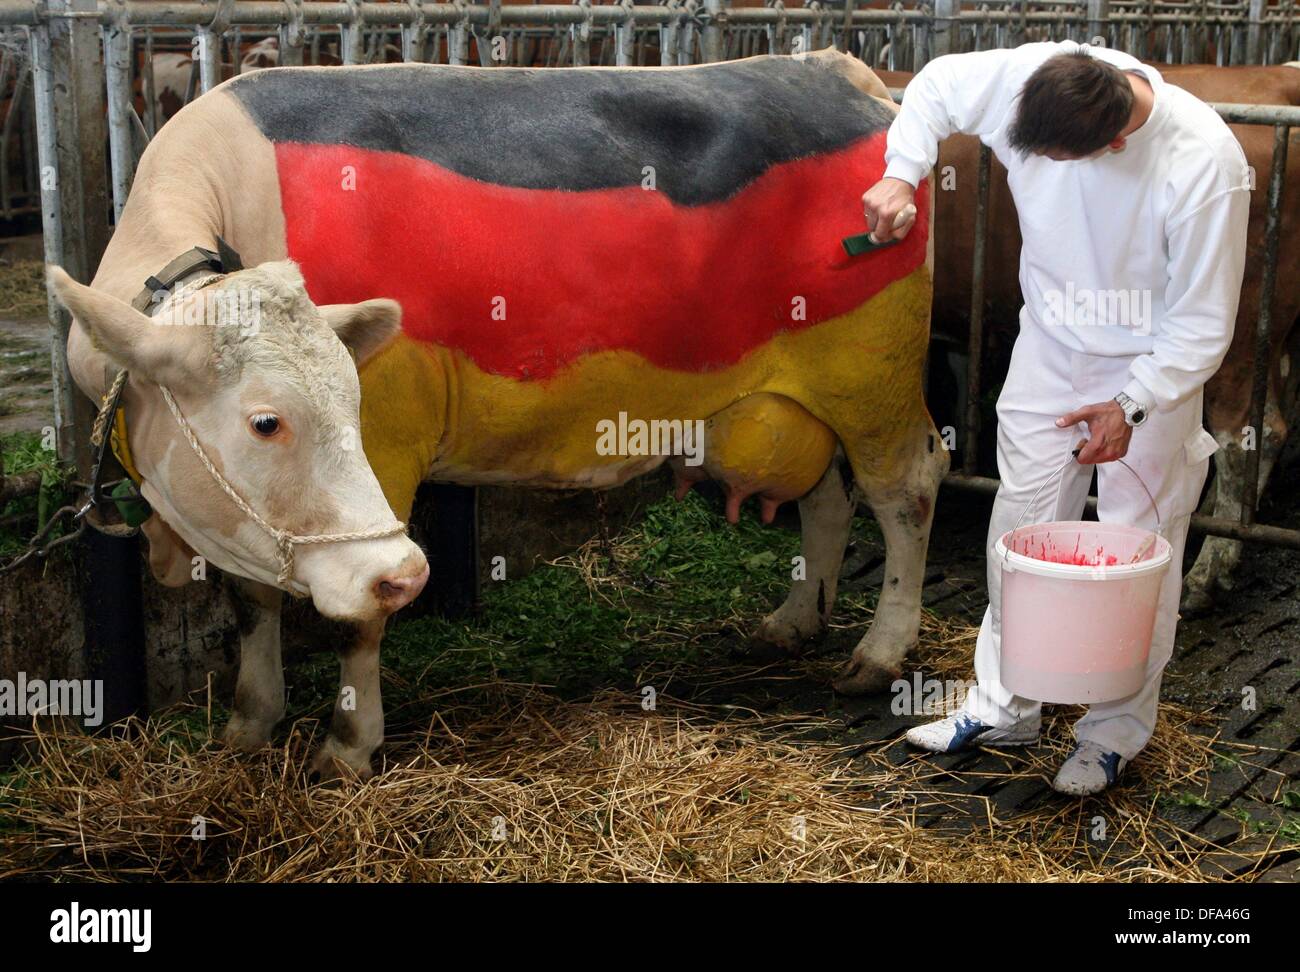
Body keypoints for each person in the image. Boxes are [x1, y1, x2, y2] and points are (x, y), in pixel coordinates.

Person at [861, 41, 1251, 795]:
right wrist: (899, 170)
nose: (1030, 167)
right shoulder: (1036, 78)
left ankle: (1112, 733)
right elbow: (939, 83)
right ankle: (1003, 704)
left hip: (1150, 370)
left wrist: (1132, 403)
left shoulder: (1204, 159)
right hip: (1049, 345)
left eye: (1051, 158)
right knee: (1020, 529)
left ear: (1112, 142)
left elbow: (1204, 321)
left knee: (1139, 546)